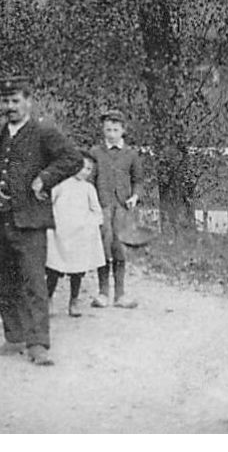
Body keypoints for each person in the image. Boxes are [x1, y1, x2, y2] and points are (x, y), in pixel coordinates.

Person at [0, 75, 83, 367]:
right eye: (6, 101)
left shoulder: (43, 132)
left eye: (15, 101)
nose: (10, 106)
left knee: (33, 282)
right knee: (4, 280)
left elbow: (73, 159)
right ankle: (14, 337)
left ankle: (38, 344)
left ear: (28, 102)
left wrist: (44, 178)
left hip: (30, 220)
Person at [89, 108, 151, 308]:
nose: (112, 134)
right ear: (103, 130)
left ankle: (121, 294)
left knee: (120, 248)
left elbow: (139, 181)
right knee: (103, 247)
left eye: (115, 130)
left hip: (123, 208)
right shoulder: (95, 153)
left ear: (123, 130)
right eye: (108, 130)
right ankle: (103, 293)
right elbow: (89, 179)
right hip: (102, 206)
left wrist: (135, 196)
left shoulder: (131, 154)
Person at [46, 154, 106, 318]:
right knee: (54, 268)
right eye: (82, 167)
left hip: (79, 236)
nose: (85, 172)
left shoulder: (88, 189)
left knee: (77, 271)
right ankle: (48, 298)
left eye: (89, 169)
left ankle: (74, 300)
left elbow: (96, 211)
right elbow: (49, 204)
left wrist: (90, 224)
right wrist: (52, 223)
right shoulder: (60, 184)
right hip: (60, 234)